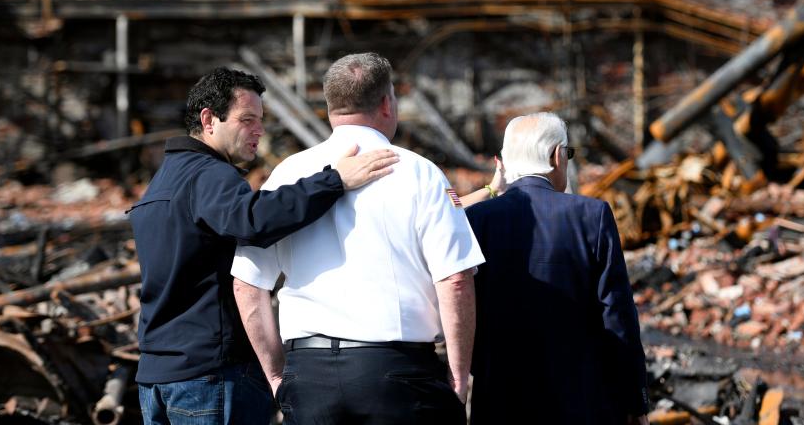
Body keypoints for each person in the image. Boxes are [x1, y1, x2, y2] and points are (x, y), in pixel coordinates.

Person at [129, 67, 399, 425]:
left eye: (261, 120)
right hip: (210, 375)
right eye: (247, 120)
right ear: (209, 120)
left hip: (156, 379)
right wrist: (334, 180)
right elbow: (253, 219)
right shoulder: (208, 175)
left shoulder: (162, 181)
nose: (259, 130)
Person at [231, 52, 484, 425]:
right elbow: (456, 280)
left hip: (309, 372)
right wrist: (459, 376)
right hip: (397, 374)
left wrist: (277, 375)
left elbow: (247, 284)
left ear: (331, 107)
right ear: (386, 102)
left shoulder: (288, 174)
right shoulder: (420, 173)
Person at [465, 112, 651, 425]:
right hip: (581, 401)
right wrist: (636, 400)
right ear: (557, 156)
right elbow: (617, 316)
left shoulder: (476, 220)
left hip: (499, 399)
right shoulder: (592, 215)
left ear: (504, 163)